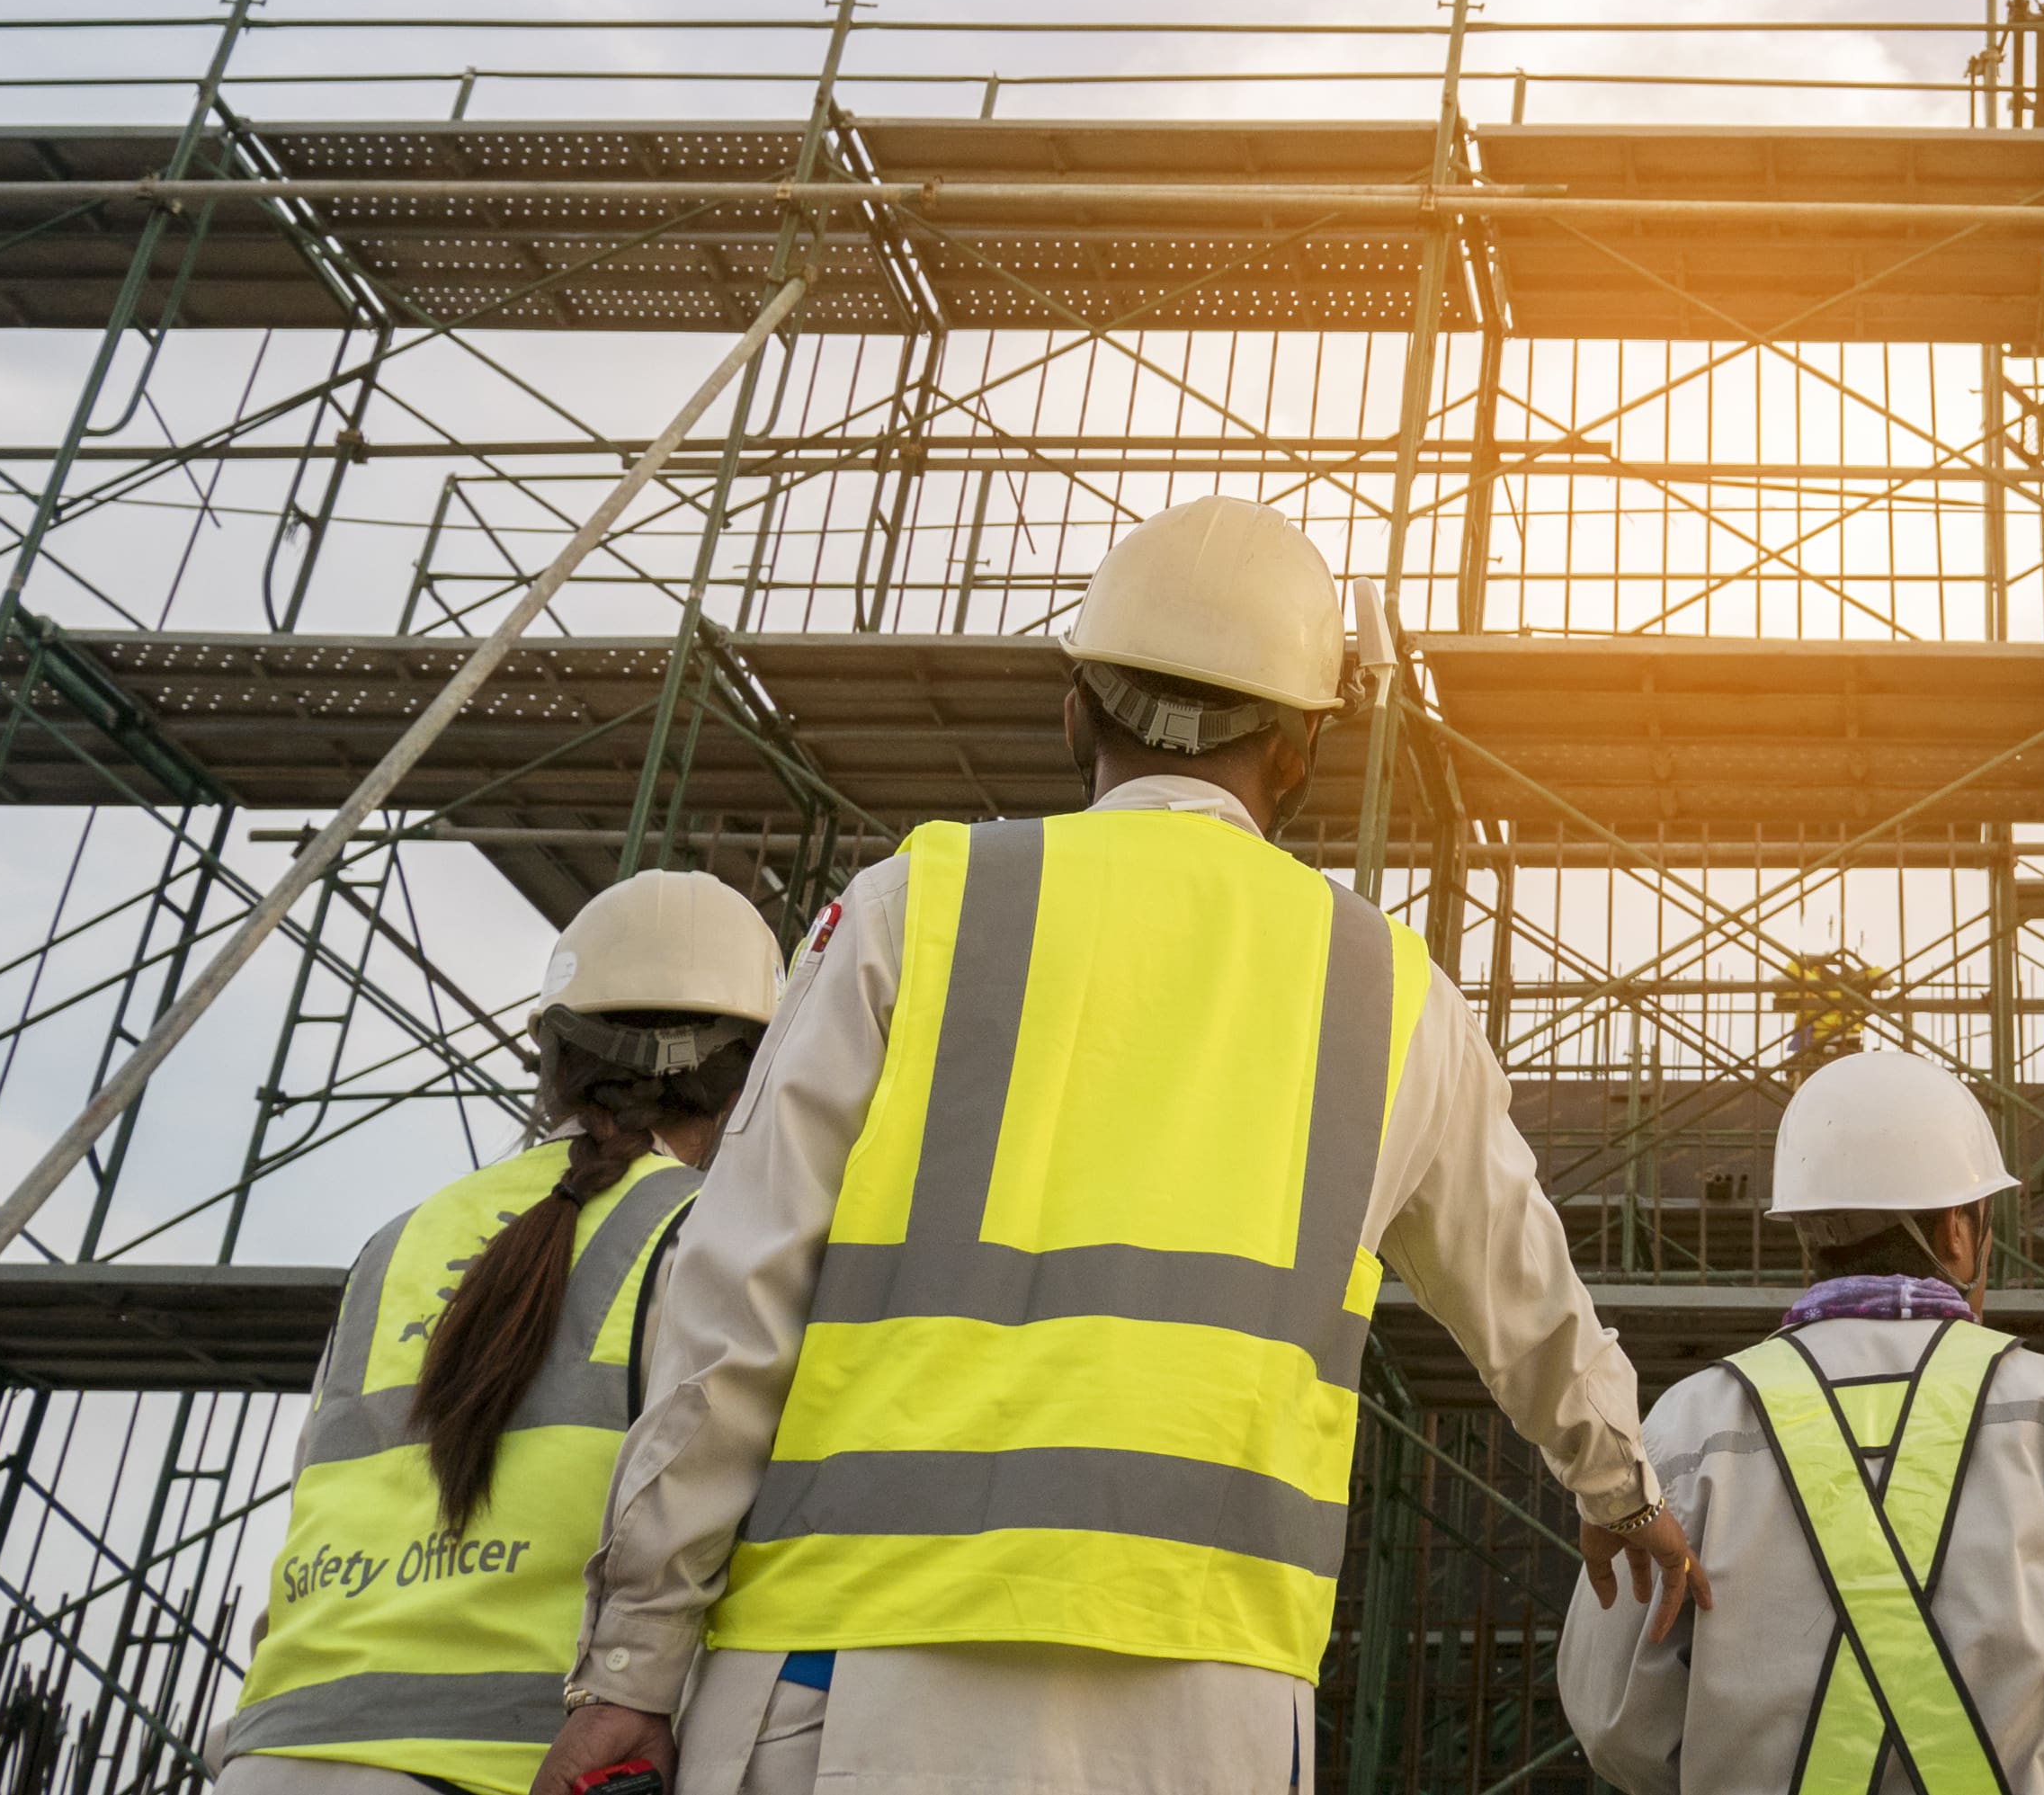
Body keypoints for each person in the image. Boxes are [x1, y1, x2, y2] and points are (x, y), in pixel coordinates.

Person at [537, 497, 1708, 1795]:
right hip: (1210, 1697)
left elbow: (730, 1295)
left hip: (856, 1664)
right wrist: (1619, 1484)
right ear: (1304, 748)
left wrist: (632, 1665)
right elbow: (1525, 1299)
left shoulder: (916, 910)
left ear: (1075, 708)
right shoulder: (1392, 994)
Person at [220, 871, 783, 1795]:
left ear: (553, 1056)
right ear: (750, 1072)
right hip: (521, 1760)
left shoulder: (396, 1240)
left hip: (279, 1742)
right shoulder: (710, 1232)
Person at [1558, 1048, 2044, 1793]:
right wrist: (2038, 1739)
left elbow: (1612, 1718)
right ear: (1959, 1233)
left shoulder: (1685, 1426)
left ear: (1807, 1231)